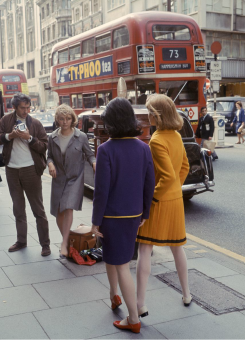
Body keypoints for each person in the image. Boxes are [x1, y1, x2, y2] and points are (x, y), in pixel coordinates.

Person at [92, 98, 155, 334]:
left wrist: (95, 221)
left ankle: (133, 318)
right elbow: (150, 183)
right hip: (134, 215)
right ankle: (113, 295)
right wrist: (145, 212)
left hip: (112, 216)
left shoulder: (106, 149)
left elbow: (102, 191)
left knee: (120, 266)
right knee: (114, 257)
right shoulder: (143, 147)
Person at [136, 94, 192, 318]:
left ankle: (140, 304)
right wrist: (173, 191)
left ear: (157, 116)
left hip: (159, 203)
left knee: (145, 249)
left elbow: (166, 176)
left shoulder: (157, 139)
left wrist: (153, 198)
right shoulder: (176, 136)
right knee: (177, 247)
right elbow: (184, 167)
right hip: (175, 201)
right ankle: (187, 294)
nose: (147, 115)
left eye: (150, 112)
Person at [0, 93, 51, 256]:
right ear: (15, 107)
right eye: (22, 108)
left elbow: (43, 147)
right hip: (11, 169)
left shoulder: (36, 123)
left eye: (28, 107)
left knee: (38, 209)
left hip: (31, 170)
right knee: (18, 208)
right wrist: (9, 136)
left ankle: (45, 244)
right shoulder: (6, 121)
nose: (26, 111)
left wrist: (29, 138)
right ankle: (21, 241)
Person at [47, 104, 96, 257]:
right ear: (57, 120)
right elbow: (49, 156)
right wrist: (50, 164)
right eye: (61, 119)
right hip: (58, 178)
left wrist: (94, 163)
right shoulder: (52, 137)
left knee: (68, 207)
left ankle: (64, 243)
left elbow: (89, 154)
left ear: (72, 119)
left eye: (68, 118)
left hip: (75, 178)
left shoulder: (80, 136)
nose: (65, 122)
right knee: (58, 212)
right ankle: (67, 240)